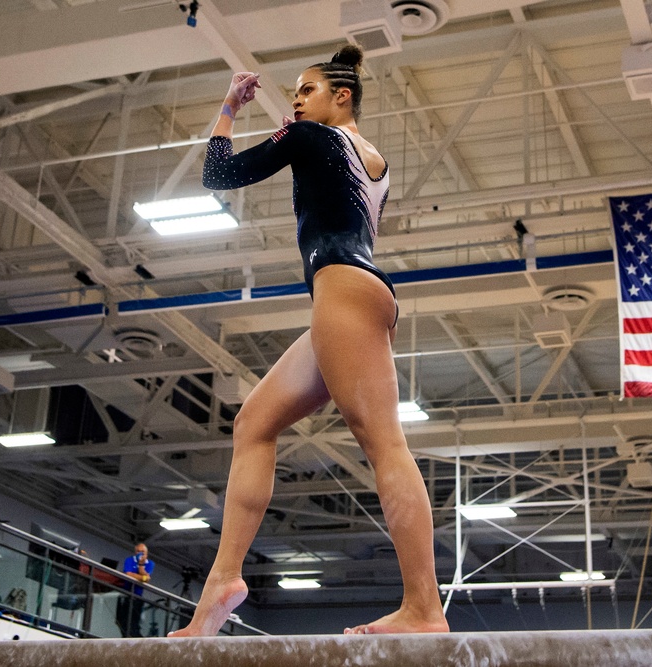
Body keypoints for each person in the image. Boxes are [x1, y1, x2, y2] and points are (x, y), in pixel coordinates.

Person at [169, 45, 448, 637]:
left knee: (385, 445)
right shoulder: (375, 161)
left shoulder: (310, 139)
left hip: (343, 293)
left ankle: (424, 608)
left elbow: (219, 174)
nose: (295, 101)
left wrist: (228, 108)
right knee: (254, 424)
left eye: (306, 90)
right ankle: (223, 580)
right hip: (352, 295)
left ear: (340, 96)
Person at [116, 542, 153, 637]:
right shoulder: (129, 560)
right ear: (135, 552)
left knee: (133, 622)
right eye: (138, 551)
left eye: (143, 552)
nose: (140, 554)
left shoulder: (150, 563)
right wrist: (142, 577)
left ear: (146, 554)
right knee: (120, 620)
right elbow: (128, 574)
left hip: (137, 597)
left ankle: (135, 638)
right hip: (125, 594)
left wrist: (141, 565)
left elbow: (147, 579)